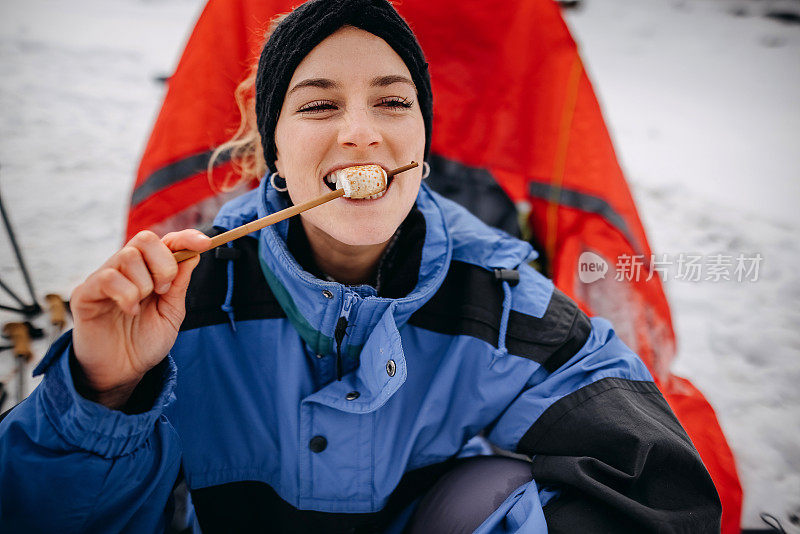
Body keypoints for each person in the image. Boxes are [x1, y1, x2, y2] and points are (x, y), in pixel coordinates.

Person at [0, 0, 722, 532]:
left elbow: (650, 483)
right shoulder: (187, 297)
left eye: (392, 102)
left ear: (422, 139)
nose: (360, 133)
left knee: (501, 483)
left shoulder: (505, 306)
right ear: (271, 144)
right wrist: (103, 394)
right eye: (318, 107)